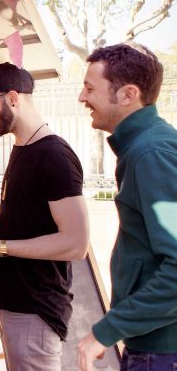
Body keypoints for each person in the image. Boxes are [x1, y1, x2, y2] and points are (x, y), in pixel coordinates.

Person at [0, 63, 89, 370]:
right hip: (18, 303)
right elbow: (26, 223)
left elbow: (76, 244)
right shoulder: (22, 148)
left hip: (35, 307)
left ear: (12, 97)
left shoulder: (53, 155)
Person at [76, 43, 177, 371]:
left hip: (162, 352)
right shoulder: (148, 146)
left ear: (128, 94)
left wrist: (106, 332)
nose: (82, 98)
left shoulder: (150, 154)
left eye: (90, 89)